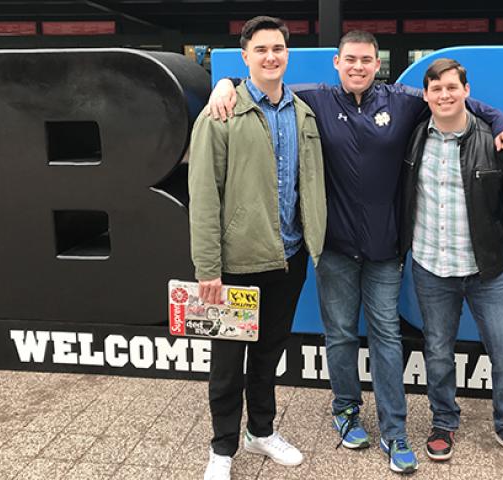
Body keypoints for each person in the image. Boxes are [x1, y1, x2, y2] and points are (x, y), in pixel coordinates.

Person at [207, 31, 503, 474]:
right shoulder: (312, 98)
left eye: (366, 60)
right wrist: (224, 84)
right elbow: (263, 85)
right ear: (336, 62)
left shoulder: (404, 101)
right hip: (334, 248)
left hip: (383, 251)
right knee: (339, 335)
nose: (358, 66)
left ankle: (394, 432)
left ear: (378, 64)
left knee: (386, 337)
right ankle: (345, 410)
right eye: (350, 59)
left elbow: (459, 101)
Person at [188, 16, 326, 480]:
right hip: (236, 263)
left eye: (279, 48)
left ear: (287, 55)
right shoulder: (221, 114)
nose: (271, 56)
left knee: (268, 354)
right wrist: (208, 268)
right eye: (261, 49)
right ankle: (222, 449)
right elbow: (204, 195)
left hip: (288, 259)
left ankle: (261, 431)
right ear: (245, 57)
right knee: (228, 364)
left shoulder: (302, 112)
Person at [399, 58, 503, 472]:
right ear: (426, 95)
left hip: (489, 271)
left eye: (452, 87)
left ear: (467, 90)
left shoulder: (498, 141)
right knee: (437, 351)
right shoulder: (412, 138)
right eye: (436, 89)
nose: (444, 95)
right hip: (431, 266)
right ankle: (443, 423)